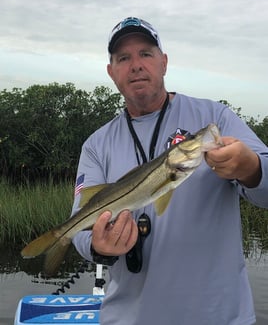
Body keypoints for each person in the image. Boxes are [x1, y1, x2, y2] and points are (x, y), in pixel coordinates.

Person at [71, 17, 268, 325]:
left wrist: (251, 167)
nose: (136, 65)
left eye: (146, 54)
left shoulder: (215, 117)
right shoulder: (96, 145)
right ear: (112, 72)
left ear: (164, 62)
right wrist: (98, 246)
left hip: (220, 317)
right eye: (124, 58)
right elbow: (79, 228)